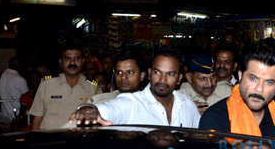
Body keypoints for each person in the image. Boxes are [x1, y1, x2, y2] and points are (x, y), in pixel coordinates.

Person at [68, 45, 200, 128]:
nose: (162, 80)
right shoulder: (131, 103)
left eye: (170, 74)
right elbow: (108, 109)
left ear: (179, 79)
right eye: (157, 72)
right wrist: (89, 109)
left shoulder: (188, 105)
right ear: (149, 73)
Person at [199, 39, 275, 141]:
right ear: (240, 75)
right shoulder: (214, 118)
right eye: (253, 78)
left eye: (269, 82)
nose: (259, 88)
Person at [30, 42, 98, 130]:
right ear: (61, 62)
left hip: (79, 142)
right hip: (51, 141)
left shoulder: (93, 88)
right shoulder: (46, 85)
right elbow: (37, 120)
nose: (72, 62)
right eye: (68, 59)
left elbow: (96, 123)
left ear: (82, 62)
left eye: (76, 58)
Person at [0, 56, 29, 120]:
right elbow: (27, 99)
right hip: (20, 115)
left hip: (3, 113)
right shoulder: (20, 80)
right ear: (19, 65)